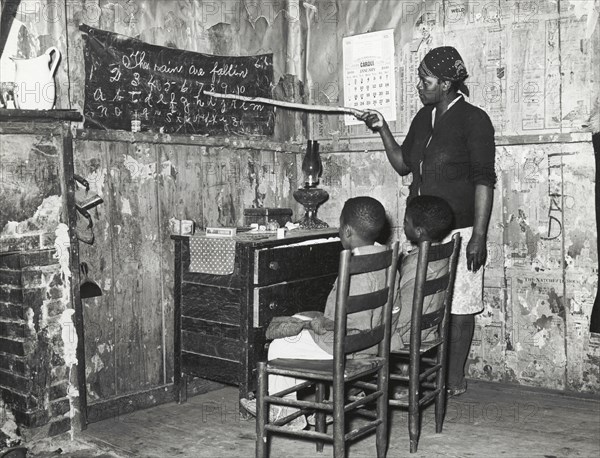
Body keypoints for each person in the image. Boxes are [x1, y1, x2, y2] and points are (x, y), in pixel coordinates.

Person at [359, 46, 496, 396]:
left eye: (426, 80)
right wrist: (382, 129)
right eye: (420, 79)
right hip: (421, 232)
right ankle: (420, 375)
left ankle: (454, 377)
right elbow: (404, 164)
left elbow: (484, 180)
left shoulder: (474, 120)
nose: (420, 86)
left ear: (448, 83)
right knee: (420, 306)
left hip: (461, 232)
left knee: (461, 306)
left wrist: (478, 236)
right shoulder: (424, 118)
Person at [240, 196, 391, 430]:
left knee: (281, 345)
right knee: (301, 324)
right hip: (375, 342)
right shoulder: (386, 257)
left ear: (347, 231)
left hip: (345, 345)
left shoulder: (353, 266)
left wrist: (316, 323)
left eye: (340, 226)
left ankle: (285, 412)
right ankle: (292, 407)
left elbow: (348, 325)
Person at [391, 195, 454, 351]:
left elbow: (402, 314)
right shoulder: (441, 257)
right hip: (428, 332)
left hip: (405, 335)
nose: (403, 225)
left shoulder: (417, 264)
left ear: (419, 231)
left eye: (406, 222)